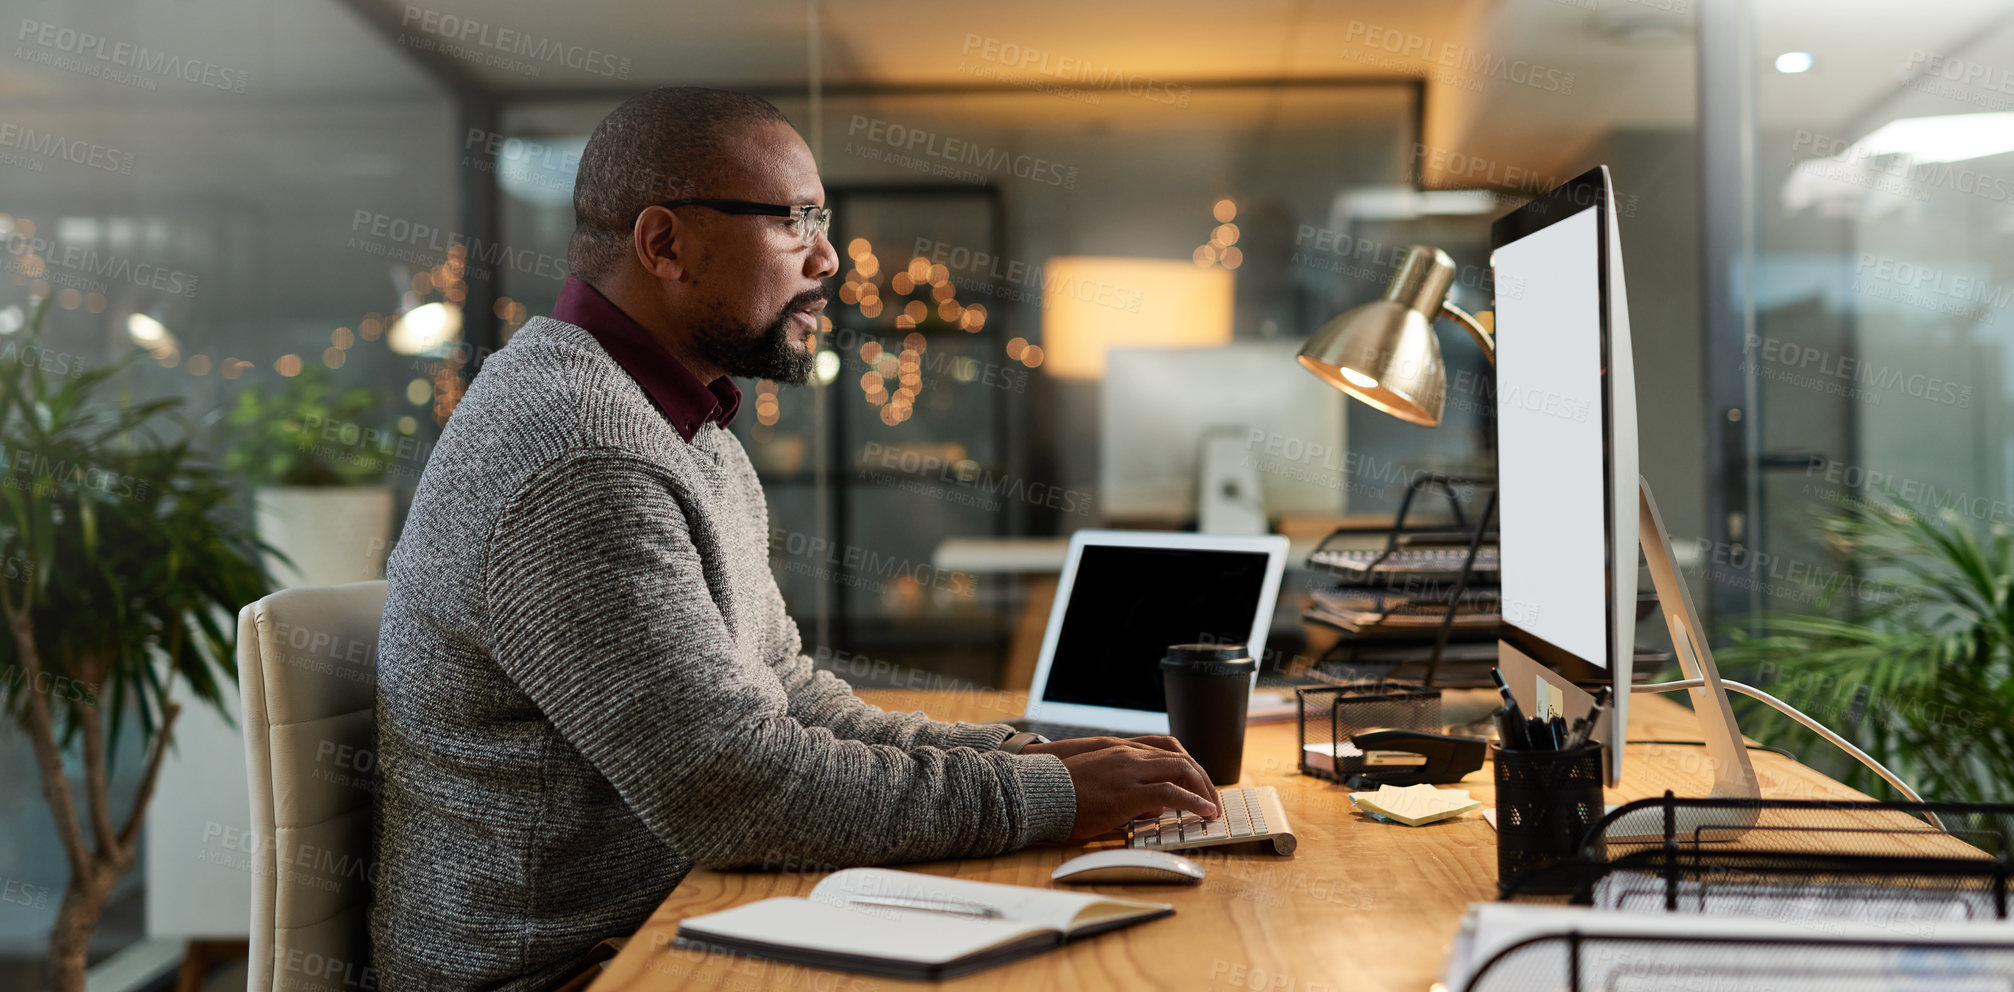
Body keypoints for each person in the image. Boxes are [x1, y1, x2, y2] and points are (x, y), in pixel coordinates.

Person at [369, 87, 1220, 991]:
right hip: (567, 971)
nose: (828, 258)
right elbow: (737, 792)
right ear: (664, 245)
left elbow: (789, 697)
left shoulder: (686, 432)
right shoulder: (580, 455)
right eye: (796, 222)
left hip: (678, 921)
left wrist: (1022, 758)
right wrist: (1051, 798)